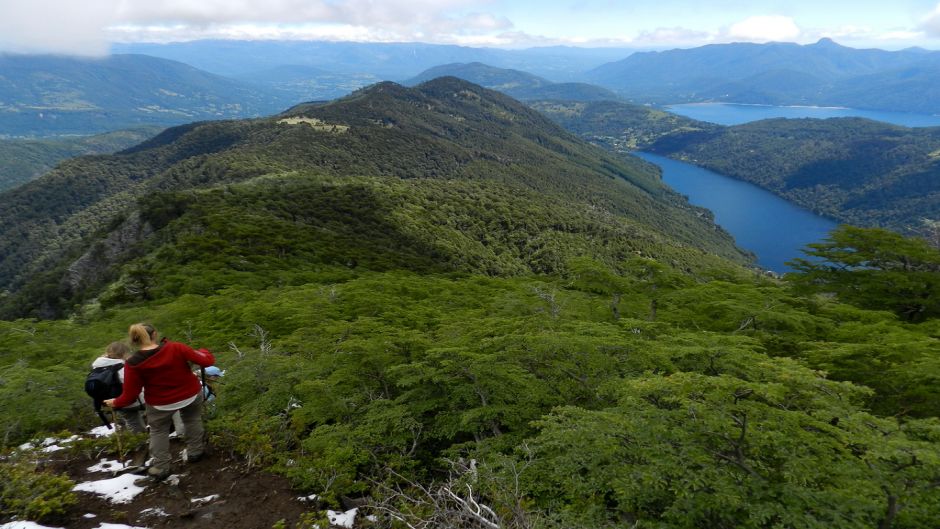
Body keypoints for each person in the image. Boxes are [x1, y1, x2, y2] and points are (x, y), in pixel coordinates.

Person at [104, 323, 215, 480]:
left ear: (134, 340)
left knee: (158, 431)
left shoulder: (133, 363)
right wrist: (204, 351)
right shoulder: (176, 348)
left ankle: (161, 467)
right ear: (154, 334)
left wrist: (115, 402)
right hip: (190, 394)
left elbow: (130, 395)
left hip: (160, 403)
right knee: (192, 420)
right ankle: (195, 452)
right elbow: (207, 361)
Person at [90, 342, 145, 433]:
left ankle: (140, 440)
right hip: (134, 401)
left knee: (132, 422)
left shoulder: (97, 367)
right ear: (124, 354)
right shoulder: (122, 367)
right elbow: (134, 385)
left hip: (113, 403)